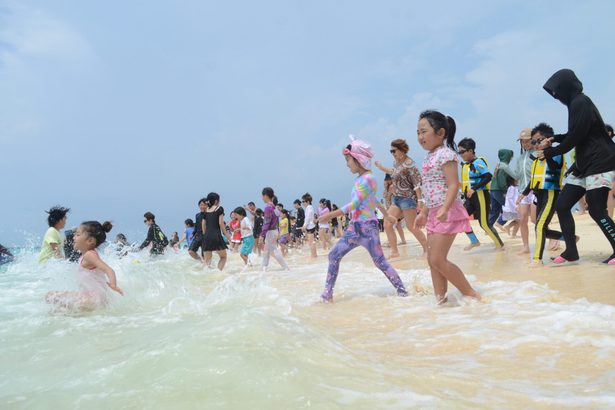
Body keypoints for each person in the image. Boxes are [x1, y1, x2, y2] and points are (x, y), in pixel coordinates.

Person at [317, 136, 408, 302]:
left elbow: (355, 204)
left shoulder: (366, 180)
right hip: (356, 228)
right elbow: (372, 200)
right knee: (334, 256)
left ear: (358, 159)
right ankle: (327, 294)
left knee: (379, 261)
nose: (347, 164)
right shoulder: (365, 179)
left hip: (365, 229)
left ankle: (402, 291)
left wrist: (330, 215)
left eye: (348, 160)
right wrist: (387, 215)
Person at [539, 69, 615, 265]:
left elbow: (575, 138)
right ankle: (571, 251)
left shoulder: (581, 102)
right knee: (563, 205)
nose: (555, 96)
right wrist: (555, 138)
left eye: (556, 92)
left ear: (565, 87)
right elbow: (576, 134)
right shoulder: (574, 104)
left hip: (601, 160)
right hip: (584, 163)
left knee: (597, 209)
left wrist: (550, 152)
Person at [414, 110, 481, 304]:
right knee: (432, 261)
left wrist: (444, 208)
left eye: (424, 131)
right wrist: (424, 212)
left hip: (448, 211)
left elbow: (453, 185)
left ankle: (471, 294)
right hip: (434, 213)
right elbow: (429, 189)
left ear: (440, 133)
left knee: (437, 259)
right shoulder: (428, 157)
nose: (420, 137)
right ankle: (440, 301)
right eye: (418, 132)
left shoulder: (446, 155)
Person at [45, 221, 123, 311]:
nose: (74, 237)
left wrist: (113, 285)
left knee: (54, 302)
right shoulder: (86, 255)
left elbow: (109, 270)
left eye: (78, 235)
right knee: (51, 298)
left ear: (90, 241)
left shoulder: (90, 255)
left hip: (93, 300)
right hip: (89, 296)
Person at [517, 123, 565, 265]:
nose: (536, 144)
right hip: (539, 195)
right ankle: (568, 237)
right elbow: (533, 180)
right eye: (534, 142)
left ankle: (537, 259)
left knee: (539, 226)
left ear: (548, 139)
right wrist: (523, 194)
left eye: (539, 140)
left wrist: (547, 154)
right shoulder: (536, 159)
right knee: (539, 225)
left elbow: (555, 167)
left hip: (551, 193)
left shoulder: (556, 153)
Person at [375, 138, 428, 257]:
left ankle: (426, 249)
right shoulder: (397, 163)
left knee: (412, 227)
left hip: (408, 199)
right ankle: (395, 252)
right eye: (391, 151)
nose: (392, 153)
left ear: (402, 150)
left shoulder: (410, 164)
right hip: (397, 198)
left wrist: (419, 200)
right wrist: (381, 167)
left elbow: (417, 184)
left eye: (394, 151)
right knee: (387, 222)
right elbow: (393, 171)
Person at [458, 138, 504, 249]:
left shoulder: (478, 162)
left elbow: (488, 176)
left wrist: (474, 188)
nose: (461, 155)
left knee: (484, 223)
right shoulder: (467, 165)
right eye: (459, 152)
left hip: (480, 196)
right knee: (460, 218)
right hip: (470, 198)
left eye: (462, 152)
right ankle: (474, 241)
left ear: (470, 150)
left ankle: (500, 246)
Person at [498, 128, 537, 254]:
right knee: (522, 219)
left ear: (533, 140)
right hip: (522, 192)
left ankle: (553, 238)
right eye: (522, 141)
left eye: (527, 141)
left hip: (535, 190)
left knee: (535, 219)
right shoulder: (520, 158)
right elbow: (517, 176)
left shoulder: (537, 154)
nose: (525, 144)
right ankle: (526, 246)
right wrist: (505, 167)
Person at [259, 187, 289, 271]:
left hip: (270, 232)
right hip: (275, 231)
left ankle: (286, 267)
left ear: (265, 195)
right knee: (267, 250)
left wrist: (262, 235)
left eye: (262, 196)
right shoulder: (274, 207)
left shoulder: (268, 207)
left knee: (273, 251)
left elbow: (266, 223)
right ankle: (263, 268)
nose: (261, 198)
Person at [202, 192, 231, 270]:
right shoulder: (219, 209)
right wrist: (227, 235)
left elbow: (203, 224)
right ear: (215, 201)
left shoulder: (206, 210)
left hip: (207, 237)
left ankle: (205, 277)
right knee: (223, 257)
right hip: (216, 236)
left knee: (207, 262)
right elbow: (221, 223)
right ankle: (218, 273)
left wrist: (205, 235)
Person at [490, 149, 514, 230]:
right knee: (510, 208)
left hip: (493, 190)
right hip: (499, 190)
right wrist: (505, 191)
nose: (512, 158)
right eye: (511, 156)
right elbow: (502, 181)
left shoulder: (498, 164)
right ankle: (500, 223)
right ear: (507, 156)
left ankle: (489, 228)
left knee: (495, 211)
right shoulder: (505, 166)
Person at [301, 193, 318, 258]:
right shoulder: (309, 207)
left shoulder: (309, 208)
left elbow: (308, 217)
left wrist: (304, 225)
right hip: (310, 226)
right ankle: (314, 255)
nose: (302, 203)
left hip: (310, 226)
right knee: (311, 242)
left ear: (308, 201)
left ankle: (314, 256)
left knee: (311, 242)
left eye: (303, 201)